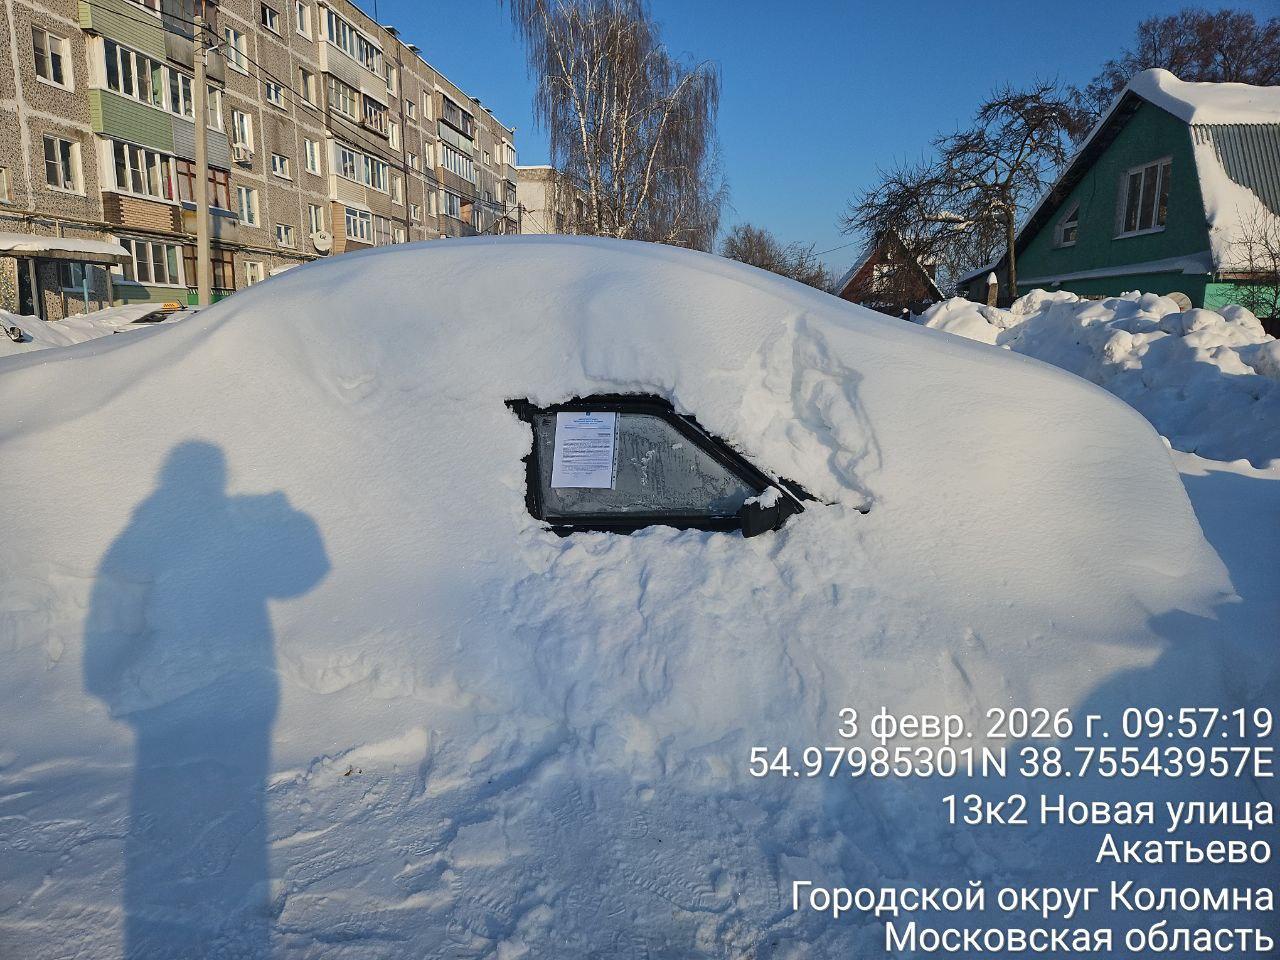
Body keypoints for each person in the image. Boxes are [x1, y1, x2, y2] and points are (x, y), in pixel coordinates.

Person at [84, 441, 328, 959]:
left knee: (186, 805)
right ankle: (204, 907)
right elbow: (303, 574)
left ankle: (187, 908)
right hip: (221, 688)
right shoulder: (226, 524)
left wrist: (105, 673)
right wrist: (289, 518)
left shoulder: (148, 525)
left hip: (178, 694)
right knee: (220, 801)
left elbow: (115, 605)